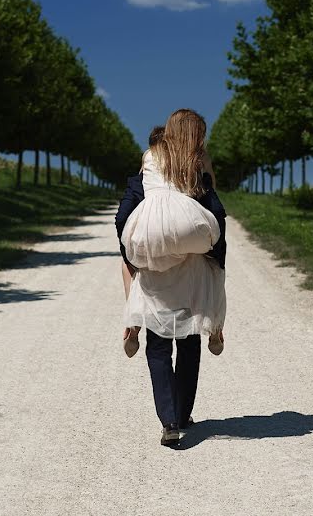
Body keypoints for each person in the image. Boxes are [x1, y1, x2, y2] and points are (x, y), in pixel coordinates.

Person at [115, 108, 227, 447]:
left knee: (159, 344)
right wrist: (216, 259)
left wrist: (132, 257)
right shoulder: (196, 164)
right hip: (190, 268)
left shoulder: (149, 163)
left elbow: (123, 215)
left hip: (153, 266)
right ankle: (182, 411)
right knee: (189, 341)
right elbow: (217, 214)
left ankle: (168, 420)